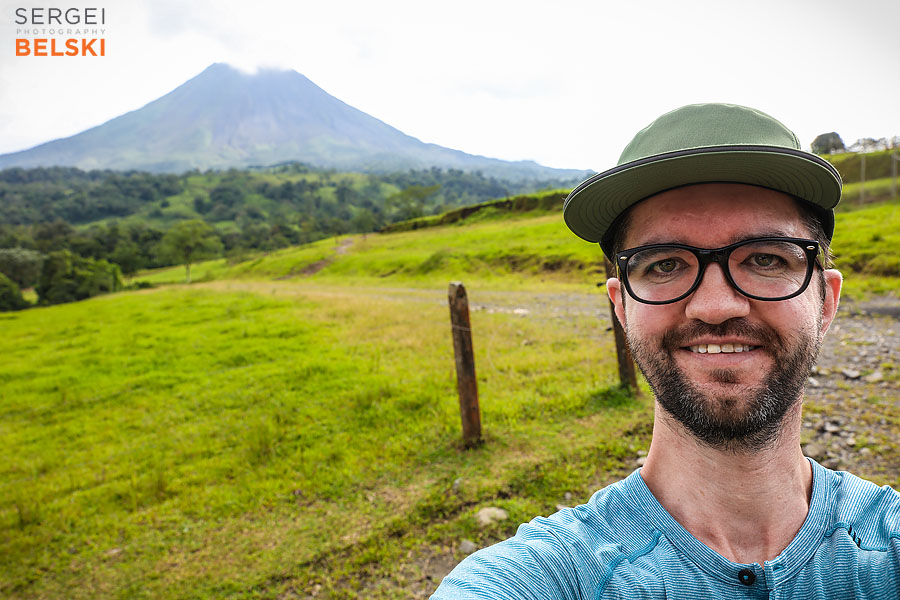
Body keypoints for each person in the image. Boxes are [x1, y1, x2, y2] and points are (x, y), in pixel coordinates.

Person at [431, 103, 900, 599]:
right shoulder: (548, 577)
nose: (715, 306)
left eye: (765, 258)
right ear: (622, 306)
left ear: (825, 301)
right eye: (664, 265)